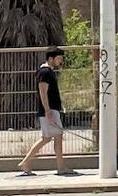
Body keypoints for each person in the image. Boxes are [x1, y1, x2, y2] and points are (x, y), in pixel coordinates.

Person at [16, 48, 76, 176]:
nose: (60, 61)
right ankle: (29, 163)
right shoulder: (45, 72)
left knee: (51, 137)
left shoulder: (49, 72)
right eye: (59, 59)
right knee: (51, 137)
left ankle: (29, 163)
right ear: (51, 58)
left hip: (51, 110)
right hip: (49, 110)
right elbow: (43, 92)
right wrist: (48, 111)